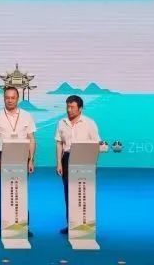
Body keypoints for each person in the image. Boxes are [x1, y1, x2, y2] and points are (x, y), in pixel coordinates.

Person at [0, 85, 36, 237]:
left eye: (13, 98)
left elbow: (31, 139)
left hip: (22, 156)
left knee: (20, 192)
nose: (10, 100)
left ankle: (23, 225)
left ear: (18, 98)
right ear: (4, 98)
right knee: (3, 192)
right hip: (3, 156)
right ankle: (3, 225)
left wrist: (31, 160)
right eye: (7, 98)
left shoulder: (27, 115)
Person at [54, 95, 102, 234]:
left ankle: (85, 224)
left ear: (80, 108)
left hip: (85, 159)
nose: (69, 110)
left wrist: (94, 163)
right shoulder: (61, 123)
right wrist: (59, 163)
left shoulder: (89, 123)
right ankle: (71, 224)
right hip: (67, 158)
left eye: (72, 107)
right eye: (67, 107)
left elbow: (97, 144)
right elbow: (59, 143)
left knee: (84, 192)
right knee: (69, 192)